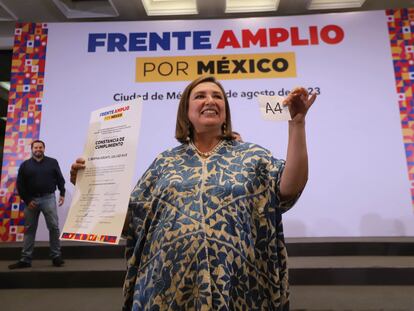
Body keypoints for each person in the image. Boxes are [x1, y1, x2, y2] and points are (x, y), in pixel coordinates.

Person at [70, 76, 316, 310]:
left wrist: (297, 124)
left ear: (225, 112)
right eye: (200, 96)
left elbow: (287, 189)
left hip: (236, 283)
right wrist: (90, 189)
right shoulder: (165, 162)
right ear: (186, 112)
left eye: (217, 96)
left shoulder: (253, 156)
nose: (210, 100)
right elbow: (133, 221)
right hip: (166, 288)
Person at [9, 140, 66, 269]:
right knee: (29, 230)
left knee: (54, 227)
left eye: (40, 147)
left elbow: (60, 179)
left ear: (44, 149)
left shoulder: (53, 162)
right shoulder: (25, 165)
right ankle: (25, 260)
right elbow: (20, 185)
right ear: (32, 149)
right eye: (36, 147)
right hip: (31, 201)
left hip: (48, 198)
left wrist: (62, 193)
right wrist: (28, 200)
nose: (38, 149)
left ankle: (56, 256)